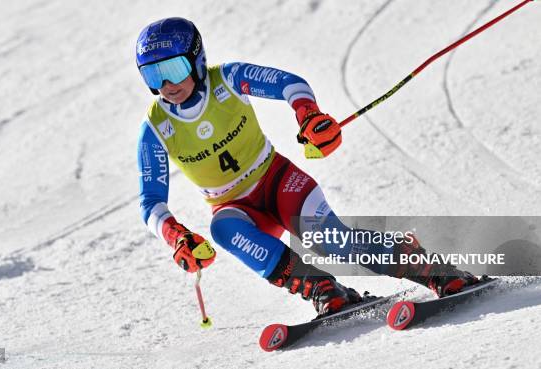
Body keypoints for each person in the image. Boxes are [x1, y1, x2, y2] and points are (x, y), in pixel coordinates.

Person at [134, 17, 478, 317]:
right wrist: (175, 236)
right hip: (236, 207)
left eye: (173, 69)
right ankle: (322, 289)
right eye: (153, 74)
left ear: (196, 60)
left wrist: (307, 113)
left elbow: (289, 83)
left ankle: (435, 270)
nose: (166, 85)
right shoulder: (156, 128)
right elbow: (151, 202)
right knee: (223, 228)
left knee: (334, 242)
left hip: (278, 183)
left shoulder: (227, 80)